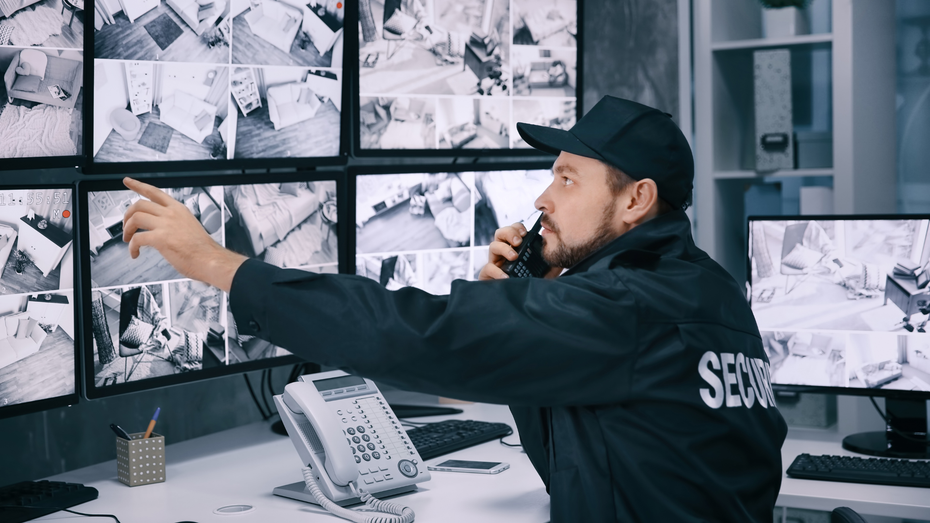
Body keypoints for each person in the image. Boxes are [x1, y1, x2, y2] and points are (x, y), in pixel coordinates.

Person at [121, 96, 787, 522]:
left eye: (567, 177)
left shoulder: (625, 307)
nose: (542, 201)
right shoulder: (708, 289)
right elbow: (574, 465)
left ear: (637, 199)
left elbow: (420, 334)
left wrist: (219, 264)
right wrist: (529, 296)